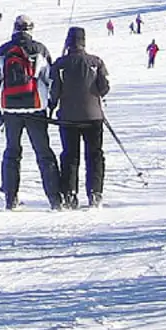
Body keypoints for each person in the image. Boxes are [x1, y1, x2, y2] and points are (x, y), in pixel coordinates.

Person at [0, 17, 61, 211]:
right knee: (44, 153)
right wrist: (51, 105)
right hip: (36, 108)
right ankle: (55, 199)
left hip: (10, 109)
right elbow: (50, 78)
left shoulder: (2, 51)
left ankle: (11, 199)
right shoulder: (39, 49)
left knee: (12, 153)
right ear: (31, 29)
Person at [49, 25, 110, 207]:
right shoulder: (96, 62)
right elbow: (104, 88)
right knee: (95, 155)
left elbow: (54, 92)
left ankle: (69, 194)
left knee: (70, 156)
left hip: (68, 117)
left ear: (68, 42)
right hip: (93, 117)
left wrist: (51, 108)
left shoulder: (60, 64)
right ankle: (95, 192)